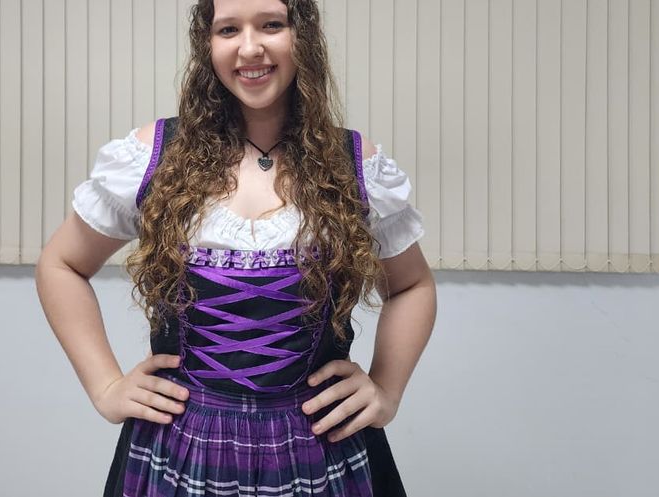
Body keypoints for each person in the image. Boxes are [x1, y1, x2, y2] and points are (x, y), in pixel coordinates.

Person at [35, 0, 437, 495]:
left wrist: (387, 388)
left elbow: (412, 285)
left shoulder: (351, 163)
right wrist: (106, 386)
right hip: (180, 449)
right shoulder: (154, 157)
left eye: (271, 25)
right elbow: (62, 264)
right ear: (208, 44)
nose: (250, 48)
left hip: (320, 448)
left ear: (302, 36)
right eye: (229, 29)